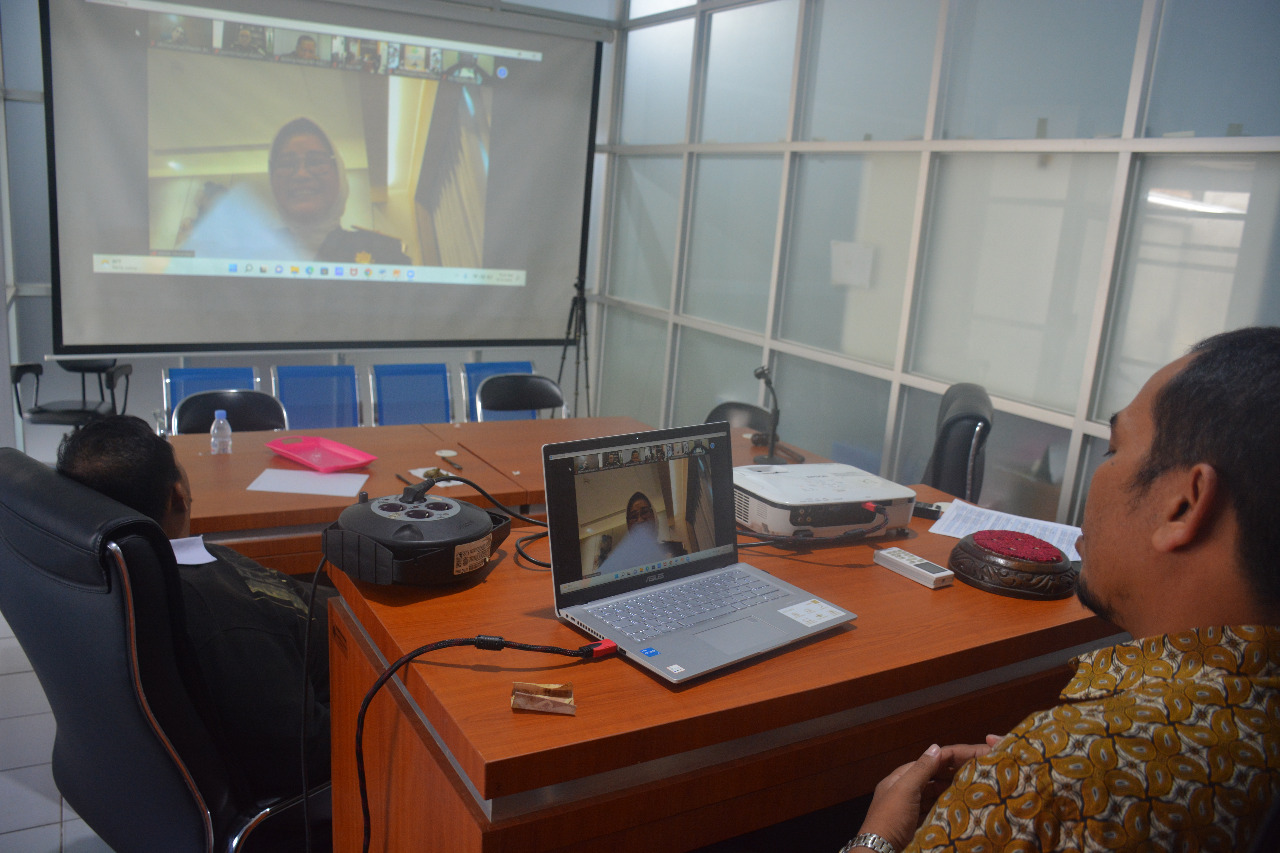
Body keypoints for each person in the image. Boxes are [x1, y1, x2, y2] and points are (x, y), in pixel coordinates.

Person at [843, 326, 1280, 853]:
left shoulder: (1052, 774)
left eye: (1113, 450)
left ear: (1184, 505)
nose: (1101, 471)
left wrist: (878, 836)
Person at [55, 415, 333, 802]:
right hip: (349, 673)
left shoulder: (112, 579)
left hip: (312, 629)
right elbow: (303, 751)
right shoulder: (221, 621)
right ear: (178, 495)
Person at [267, 117, 411, 264]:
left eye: (316, 162)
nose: (301, 174)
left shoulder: (383, 252)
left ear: (339, 176)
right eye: (286, 164)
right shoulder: (254, 251)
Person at [598, 492, 688, 573]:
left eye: (644, 512)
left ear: (654, 516)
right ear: (628, 524)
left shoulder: (675, 549)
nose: (640, 520)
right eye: (633, 516)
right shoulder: (619, 564)